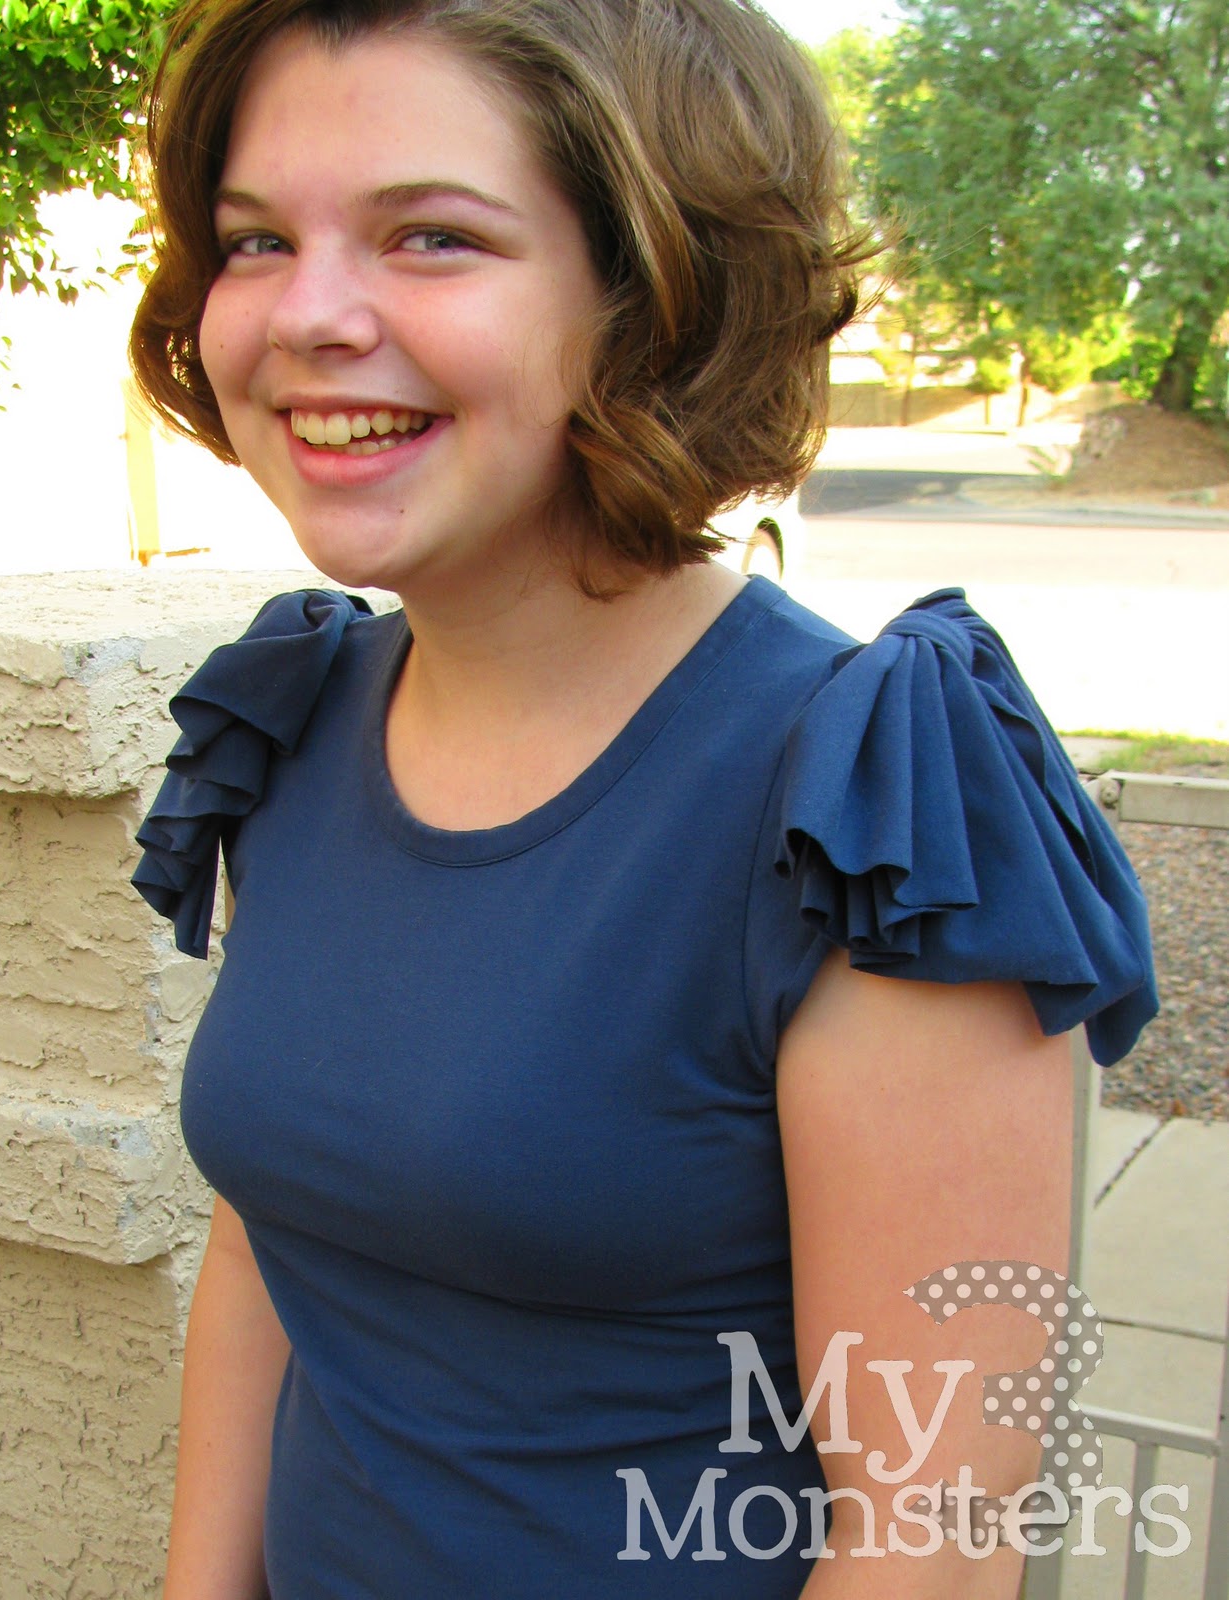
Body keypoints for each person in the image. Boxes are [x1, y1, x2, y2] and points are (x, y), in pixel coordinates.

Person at [128, 0, 1158, 1595]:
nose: (306, 314)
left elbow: (932, 1532)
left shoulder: (859, 804)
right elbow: (278, 1240)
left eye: (431, 237)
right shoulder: (297, 718)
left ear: (656, 293)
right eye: (256, 240)